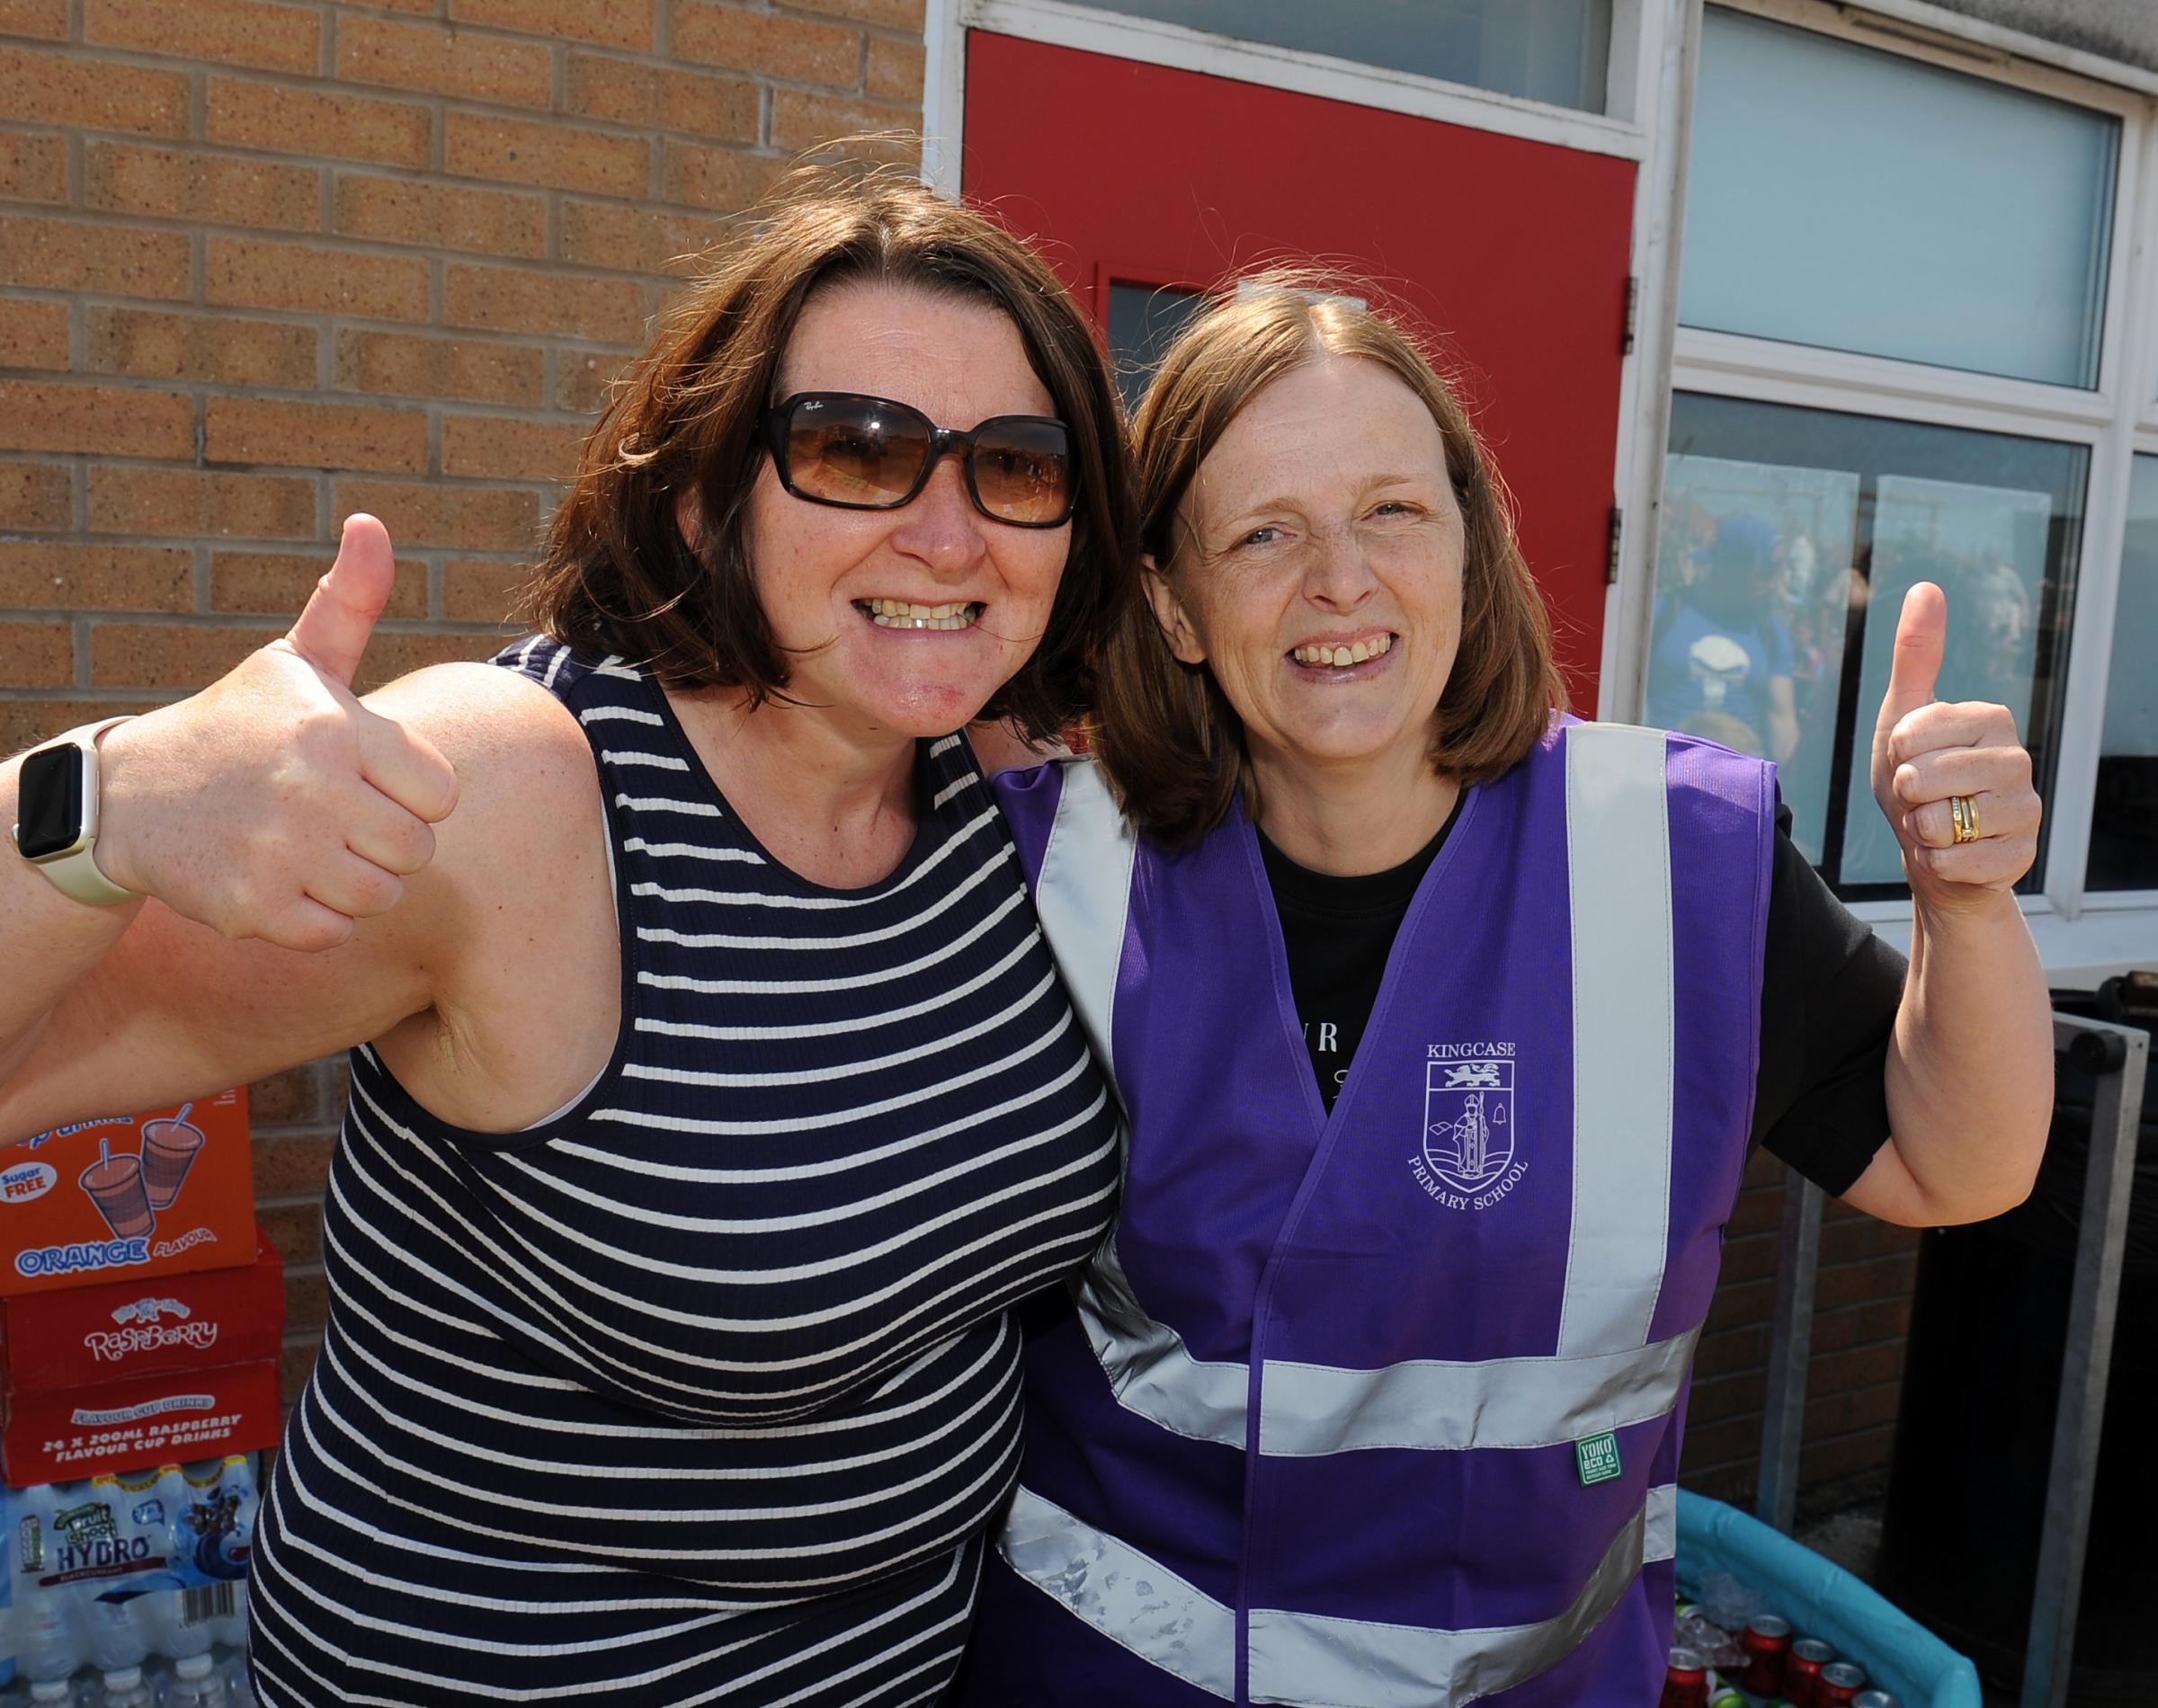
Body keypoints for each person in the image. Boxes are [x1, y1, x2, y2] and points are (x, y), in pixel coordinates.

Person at [0, 173, 1138, 1704]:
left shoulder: (1010, 795)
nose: (947, 532)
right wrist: (104, 803)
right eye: (854, 450)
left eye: (1015, 465)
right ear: (703, 495)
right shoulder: (524, 795)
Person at [953, 282, 2051, 1705]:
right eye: (1264, 532)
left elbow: (1954, 1160)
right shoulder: (1042, 877)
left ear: (1470, 547)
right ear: (1171, 602)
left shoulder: (1673, 864)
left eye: (1393, 512)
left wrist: (1967, 902)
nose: (1338, 579)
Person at [1645, 512, 1801, 761]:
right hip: (1662, 771)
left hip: (1737, 780)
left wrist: (1781, 787)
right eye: (1767, 570)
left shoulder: (1770, 634)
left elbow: (1782, 720)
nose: (1775, 583)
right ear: (1731, 564)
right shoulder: (1662, 615)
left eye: (1780, 571)